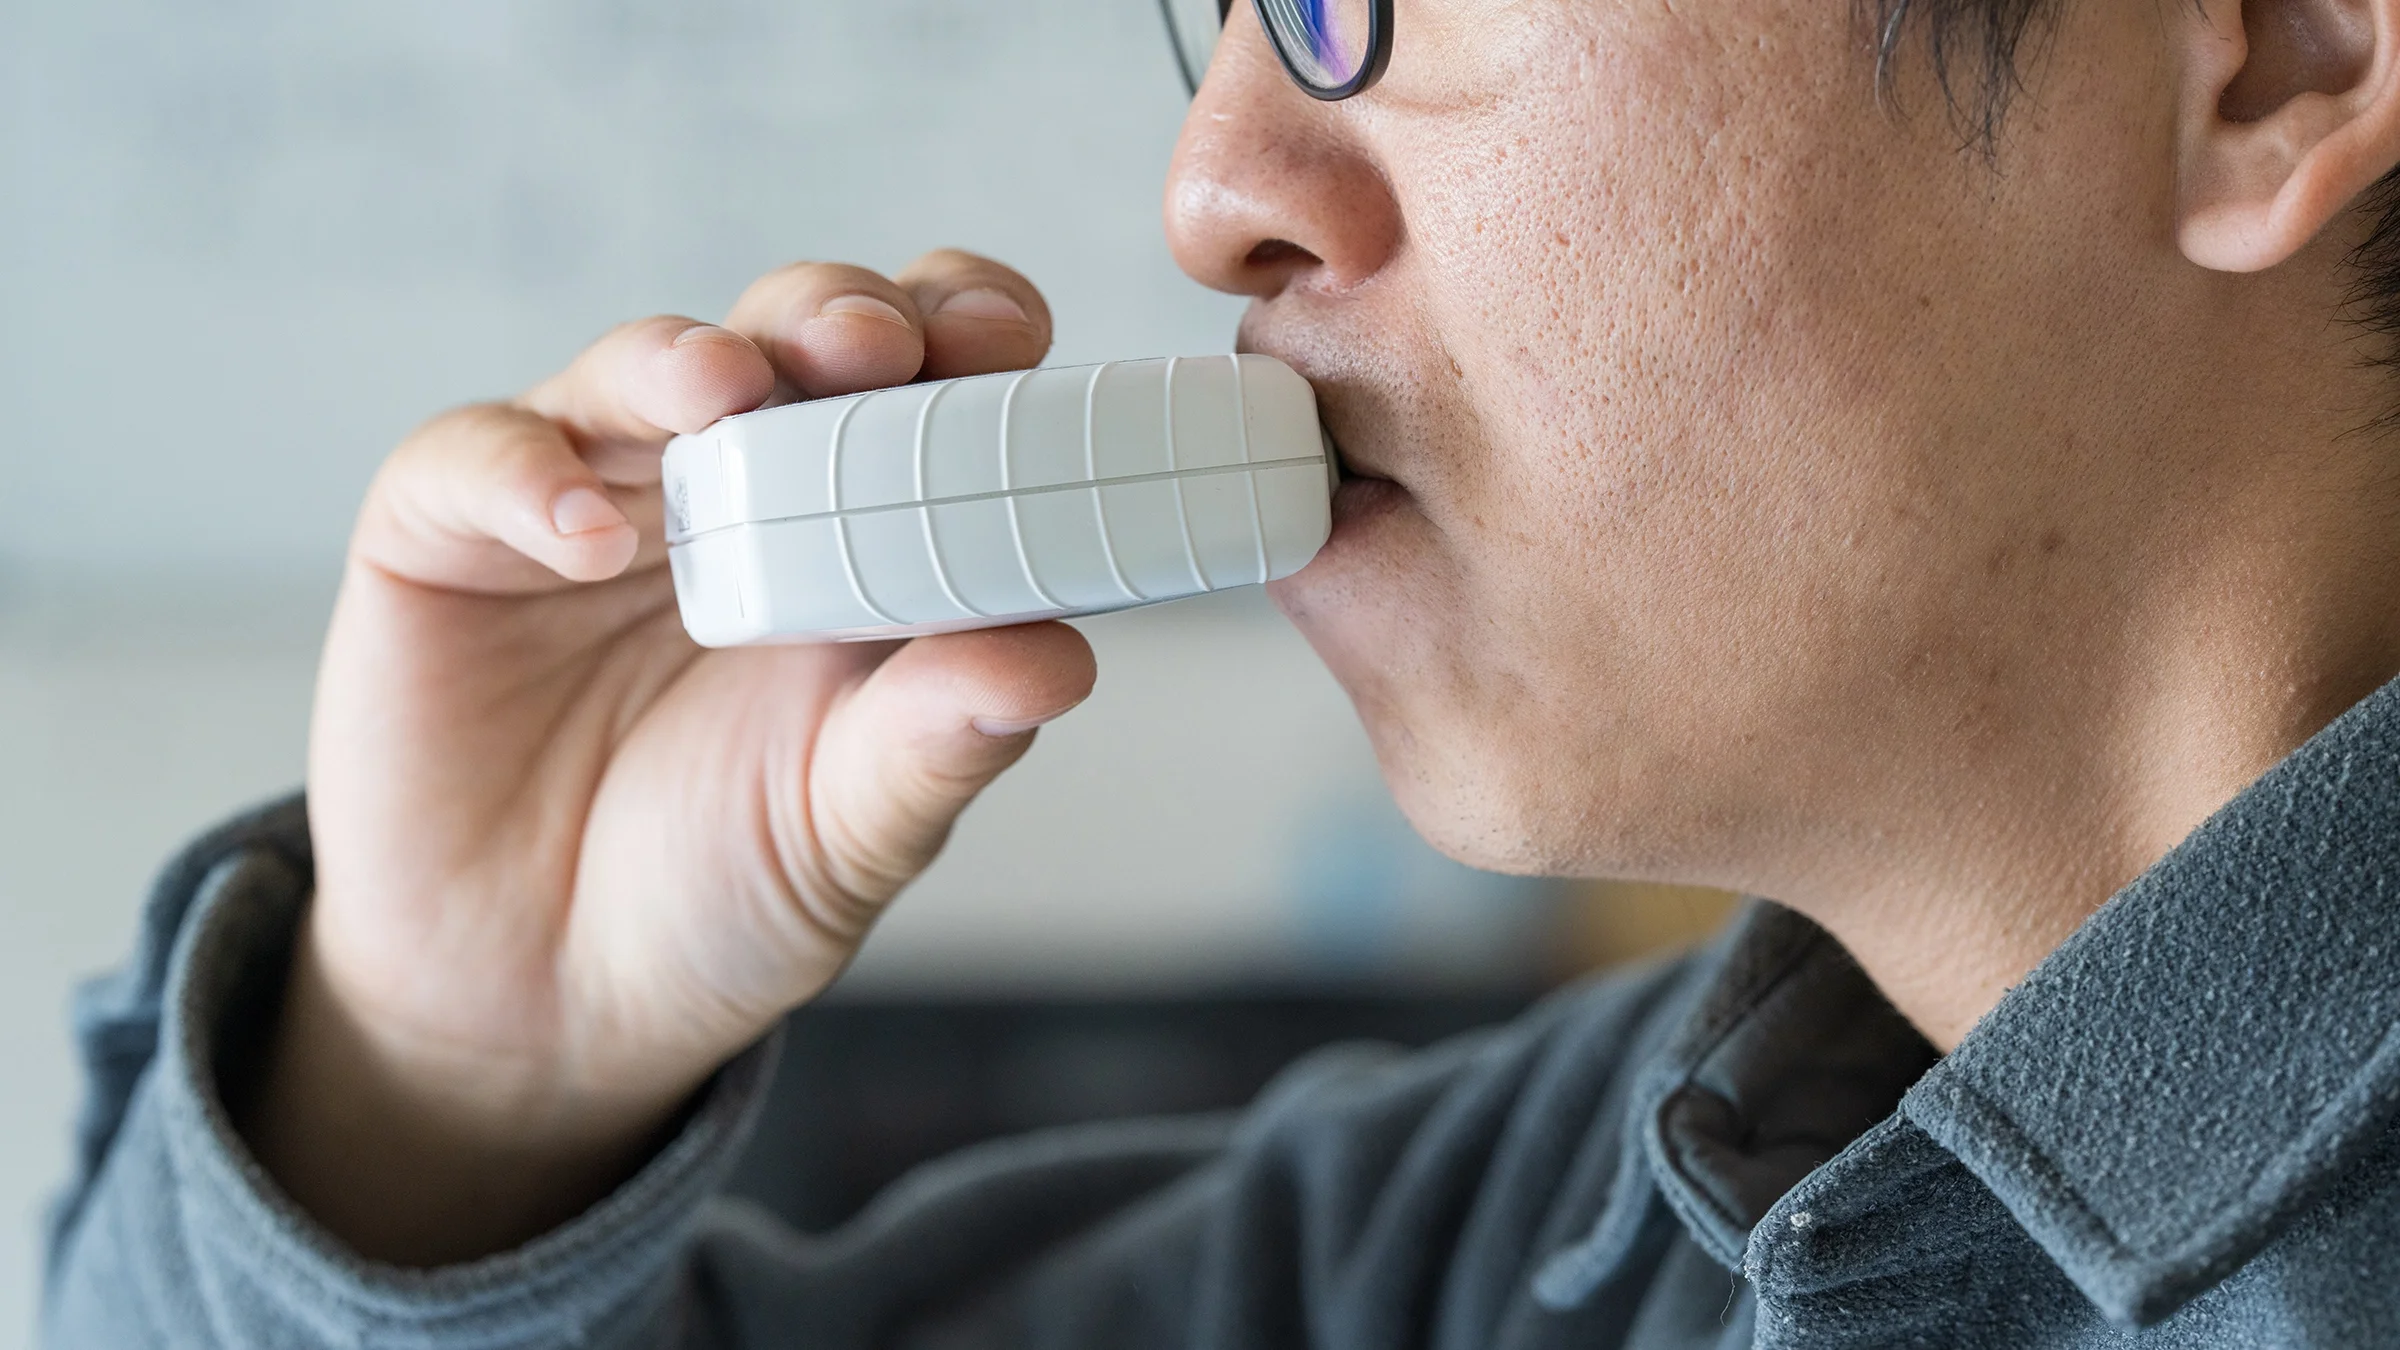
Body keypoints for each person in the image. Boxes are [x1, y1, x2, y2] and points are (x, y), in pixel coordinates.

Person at [40, 0, 2400, 1341]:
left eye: (1381, 11)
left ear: (2267, 58)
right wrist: (447, 1072)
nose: (1215, 191)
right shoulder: (1576, 1229)